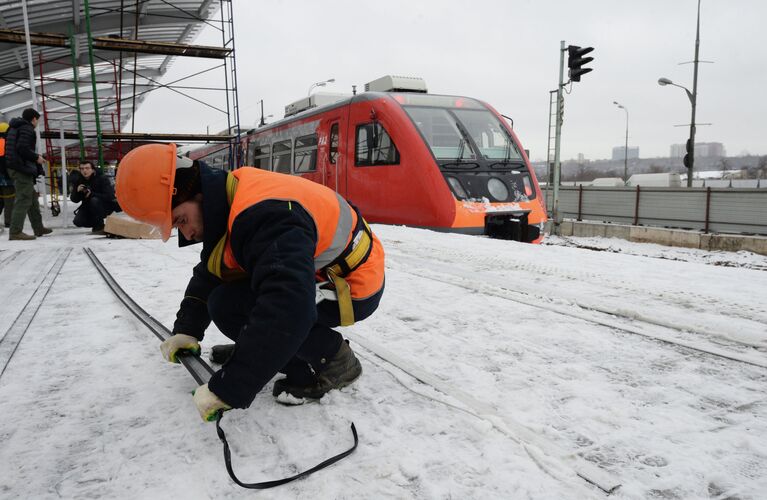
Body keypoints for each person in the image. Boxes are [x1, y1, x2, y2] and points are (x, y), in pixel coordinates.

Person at [115, 143, 385, 422]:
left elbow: (289, 308)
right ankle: (263, 347)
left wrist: (232, 387)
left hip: (349, 286)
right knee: (226, 300)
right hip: (324, 273)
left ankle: (335, 359)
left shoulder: (266, 216)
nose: (188, 232)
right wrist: (187, 329)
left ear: (198, 194)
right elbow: (213, 268)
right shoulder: (230, 195)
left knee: (241, 306)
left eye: (181, 220)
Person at [5, 108, 51, 240]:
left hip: (16, 166)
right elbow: (22, 148)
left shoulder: (15, 127)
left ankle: (38, 227)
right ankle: (15, 232)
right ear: (34, 119)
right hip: (21, 168)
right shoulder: (27, 128)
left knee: (32, 199)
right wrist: (37, 158)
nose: (37, 123)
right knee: (24, 198)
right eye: (38, 120)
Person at [71, 160, 118, 233]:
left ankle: (100, 226)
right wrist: (77, 191)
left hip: (105, 206)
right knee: (78, 222)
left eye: (87, 168)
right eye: (82, 169)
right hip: (88, 206)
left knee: (94, 200)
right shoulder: (79, 180)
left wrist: (92, 194)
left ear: (93, 170)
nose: (84, 171)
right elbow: (74, 200)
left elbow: (110, 196)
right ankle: (96, 224)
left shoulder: (102, 178)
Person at [0, 122, 14, 231]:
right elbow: (3, 161)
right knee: (9, 199)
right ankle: (9, 222)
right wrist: (8, 175)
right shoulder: (3, 142)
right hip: (4, 178)